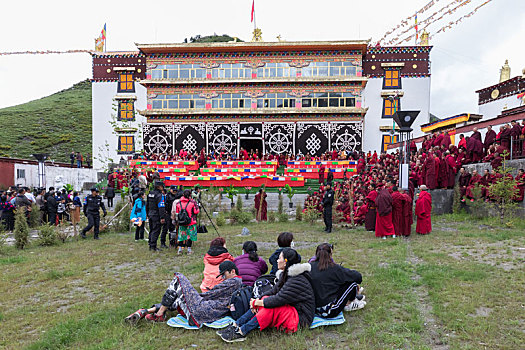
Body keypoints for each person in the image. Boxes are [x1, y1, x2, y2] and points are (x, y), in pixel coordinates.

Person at [219, 248, 315, 342]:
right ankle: (236, 324)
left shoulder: (296, 280)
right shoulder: (286, 275)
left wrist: (258, 302)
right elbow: (273, 291)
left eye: (279, 258)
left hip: (301, 319)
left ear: (285, 262)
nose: (277, 260)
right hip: (292, 310)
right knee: (265, 299)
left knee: (271, 307)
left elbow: (279, 299)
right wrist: (257, 301)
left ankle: (242, 331)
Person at [125, 261, 242, 326]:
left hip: (203, 310)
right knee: (178, 296)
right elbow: (213, 294)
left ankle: (159, 313)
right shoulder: (236, 283)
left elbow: (208, 295)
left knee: (178, 279)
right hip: (208, 313)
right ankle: (146, 311)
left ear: (232, 271)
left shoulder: (234, 281)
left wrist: (191, 294)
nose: (222, 278)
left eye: (224, 275)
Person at [309, 243, 365, 318]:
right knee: (352, 284)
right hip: (329, 311)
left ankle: (351, 299)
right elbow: (358, 277)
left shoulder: (310, 266)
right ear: (330, 255)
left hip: (314, 308)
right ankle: (350, 303)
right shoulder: (334, 268)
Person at [174, 189, 200, 255]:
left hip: (181, 222)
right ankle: (189, 250)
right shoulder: (192, 203)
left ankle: (180, 250)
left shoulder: (178, 203)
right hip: (190, 222)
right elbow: (196, 211)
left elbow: (177, 213)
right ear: (190, 195)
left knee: (181, 236)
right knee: (190, 236)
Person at [147, 181, 166, 252]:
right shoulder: (159, 195)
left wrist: (147, 213)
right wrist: (162, 217)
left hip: (150, 214)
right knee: (156, 230)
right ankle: (153, 246)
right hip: (156, 215)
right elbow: (161, 207)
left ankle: (150, 243)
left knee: (151, 229)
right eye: (162, 186)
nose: (163, 187)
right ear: (159, 187)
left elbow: (147, 204)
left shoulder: (150, 193)